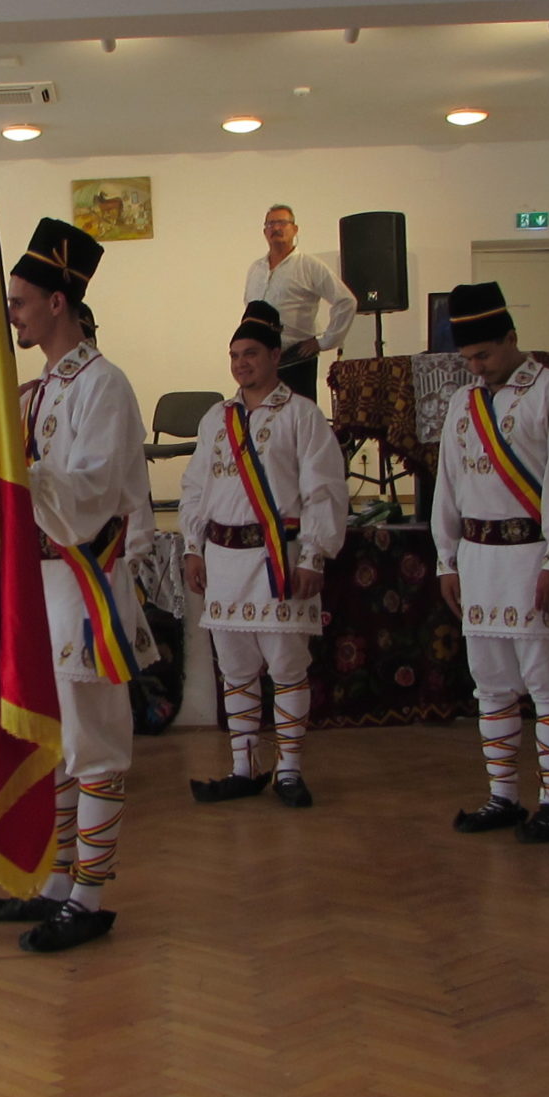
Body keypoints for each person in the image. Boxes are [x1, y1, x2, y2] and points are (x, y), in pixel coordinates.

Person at [0, 217, 161, 953]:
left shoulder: (104, 385)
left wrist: (19, 472)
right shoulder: (37, 391)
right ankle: (59, 880)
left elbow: (91, 495)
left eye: (20, 302)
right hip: (42, 590)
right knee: (57, 741)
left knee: (96, 744)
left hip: (86, 584)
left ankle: (89, 896)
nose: (13, 315)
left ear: (59, 302)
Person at [432, 279, 549, 844]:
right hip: (478, 565)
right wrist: (447, 559)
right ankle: (502, 796)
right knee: (491, 687)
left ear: (511, 338)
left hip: (534, 561)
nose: (476, 368)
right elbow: (449, 485)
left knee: (548, 686)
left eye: (483, 355)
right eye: (467, 358)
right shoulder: (463, 403)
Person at [181, 299, 349, 808]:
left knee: (287, 667)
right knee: (235, 670)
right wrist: (193, 547)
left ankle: (289, 771)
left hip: (278, 560)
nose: (241, 364)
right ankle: (244, 768)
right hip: (224, 561)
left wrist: (313, 556)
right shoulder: (217, 418)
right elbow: (195, 488)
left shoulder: (302, 415)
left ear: (276, 356)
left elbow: (324, 490)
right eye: (234, 355)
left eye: (251, 353)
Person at [241, 205, 356, 402]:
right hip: (260, 364)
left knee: (297, 418)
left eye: (282, 223)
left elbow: (346, 301)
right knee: (261, 417)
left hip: (295, 361)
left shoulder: (309, 265)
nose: (276, 228)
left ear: (295, 229)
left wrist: (324, 341)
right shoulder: (256, 268)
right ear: (264, 231)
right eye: (270, 224)